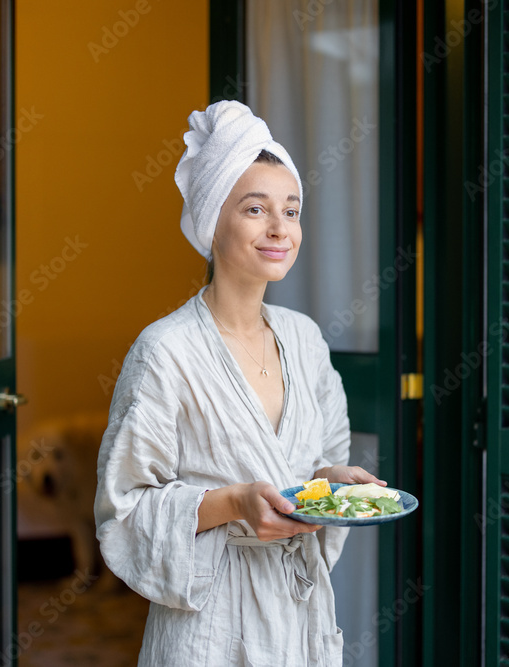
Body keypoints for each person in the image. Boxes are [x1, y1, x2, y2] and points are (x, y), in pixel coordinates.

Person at [94, 100, 385, 667]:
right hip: (210, 631)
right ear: (212, 221)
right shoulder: (165, 351)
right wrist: (234, 503)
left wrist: (334, 479)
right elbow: (124, 508)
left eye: (292, 211)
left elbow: (319, 460)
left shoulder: (304, 340)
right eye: (256, 209)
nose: (280, 229)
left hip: (300, 619)